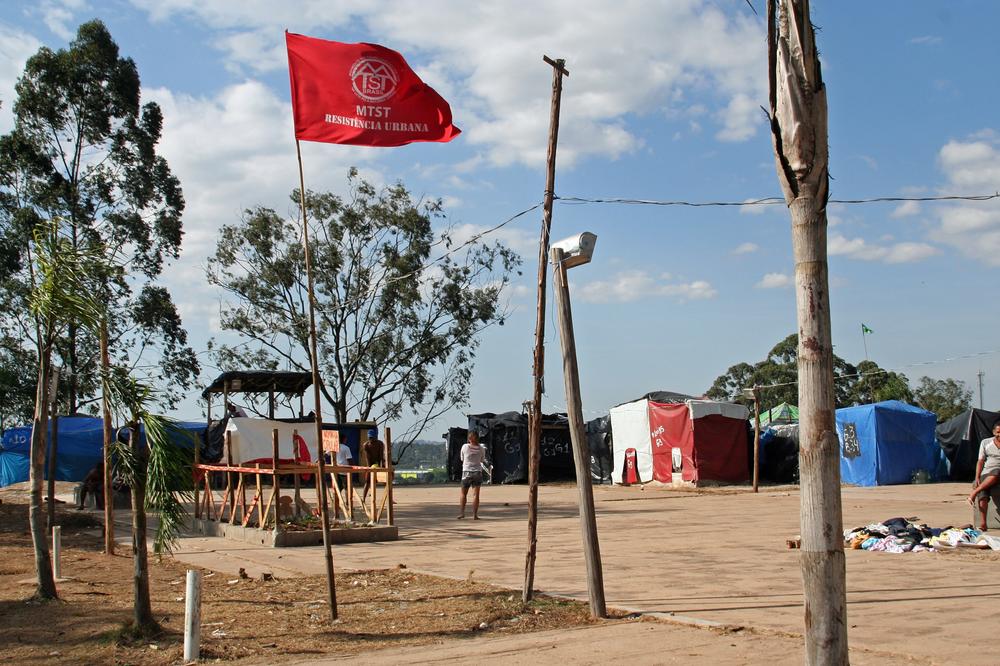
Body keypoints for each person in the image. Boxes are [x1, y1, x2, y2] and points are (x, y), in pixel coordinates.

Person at [968, 423, 1000, 530]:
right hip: (987, 473)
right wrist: (977, 477)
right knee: (983, 494)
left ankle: (974, 492)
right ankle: (983, 524)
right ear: (994, 432)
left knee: (997, 471)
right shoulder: (985, 442)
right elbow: (980, 461)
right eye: (998, 432)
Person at [457, 431, 484, 520]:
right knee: (476, 495)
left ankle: (462, 513)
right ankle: (475, 515)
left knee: (463, 494)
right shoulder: (481, 448)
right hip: (477, 472)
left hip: (466, 472)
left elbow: (462, 458)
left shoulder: (465, 447)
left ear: (469, 439)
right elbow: (482, 460)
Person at [360, 429, 385, 503]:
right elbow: (368, 458)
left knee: (386, 481)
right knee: (367, 481)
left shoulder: (380, 444)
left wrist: (380, 466)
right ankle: (363, 499)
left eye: (372, 438)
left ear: (376, 437)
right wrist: (369, 468)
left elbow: (381, 456)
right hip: (371, 465)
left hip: (379, 463)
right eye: (369, 438)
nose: (370, 439)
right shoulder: (366, 445)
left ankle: (389, 498)